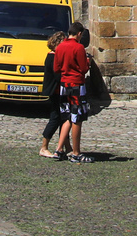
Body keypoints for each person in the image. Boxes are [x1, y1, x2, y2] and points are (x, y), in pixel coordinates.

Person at [52, 22, 94, 164]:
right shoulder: (79, 47)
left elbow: (56, 68)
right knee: (77, 119)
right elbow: (83, 68)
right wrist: (87, 62)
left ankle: (59, 149)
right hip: (76, 85)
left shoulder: (60, 47)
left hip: (64, 85)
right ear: (79, 34)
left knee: (67, 117)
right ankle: (76, 153)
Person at [37, 31, 70, 159]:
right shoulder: (53, 57)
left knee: (64, 119)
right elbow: (58, 76)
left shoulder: (54, 56)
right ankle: (44, 147)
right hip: (56, 92)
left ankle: (67, 147)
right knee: (55, 118)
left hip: (60, 92)